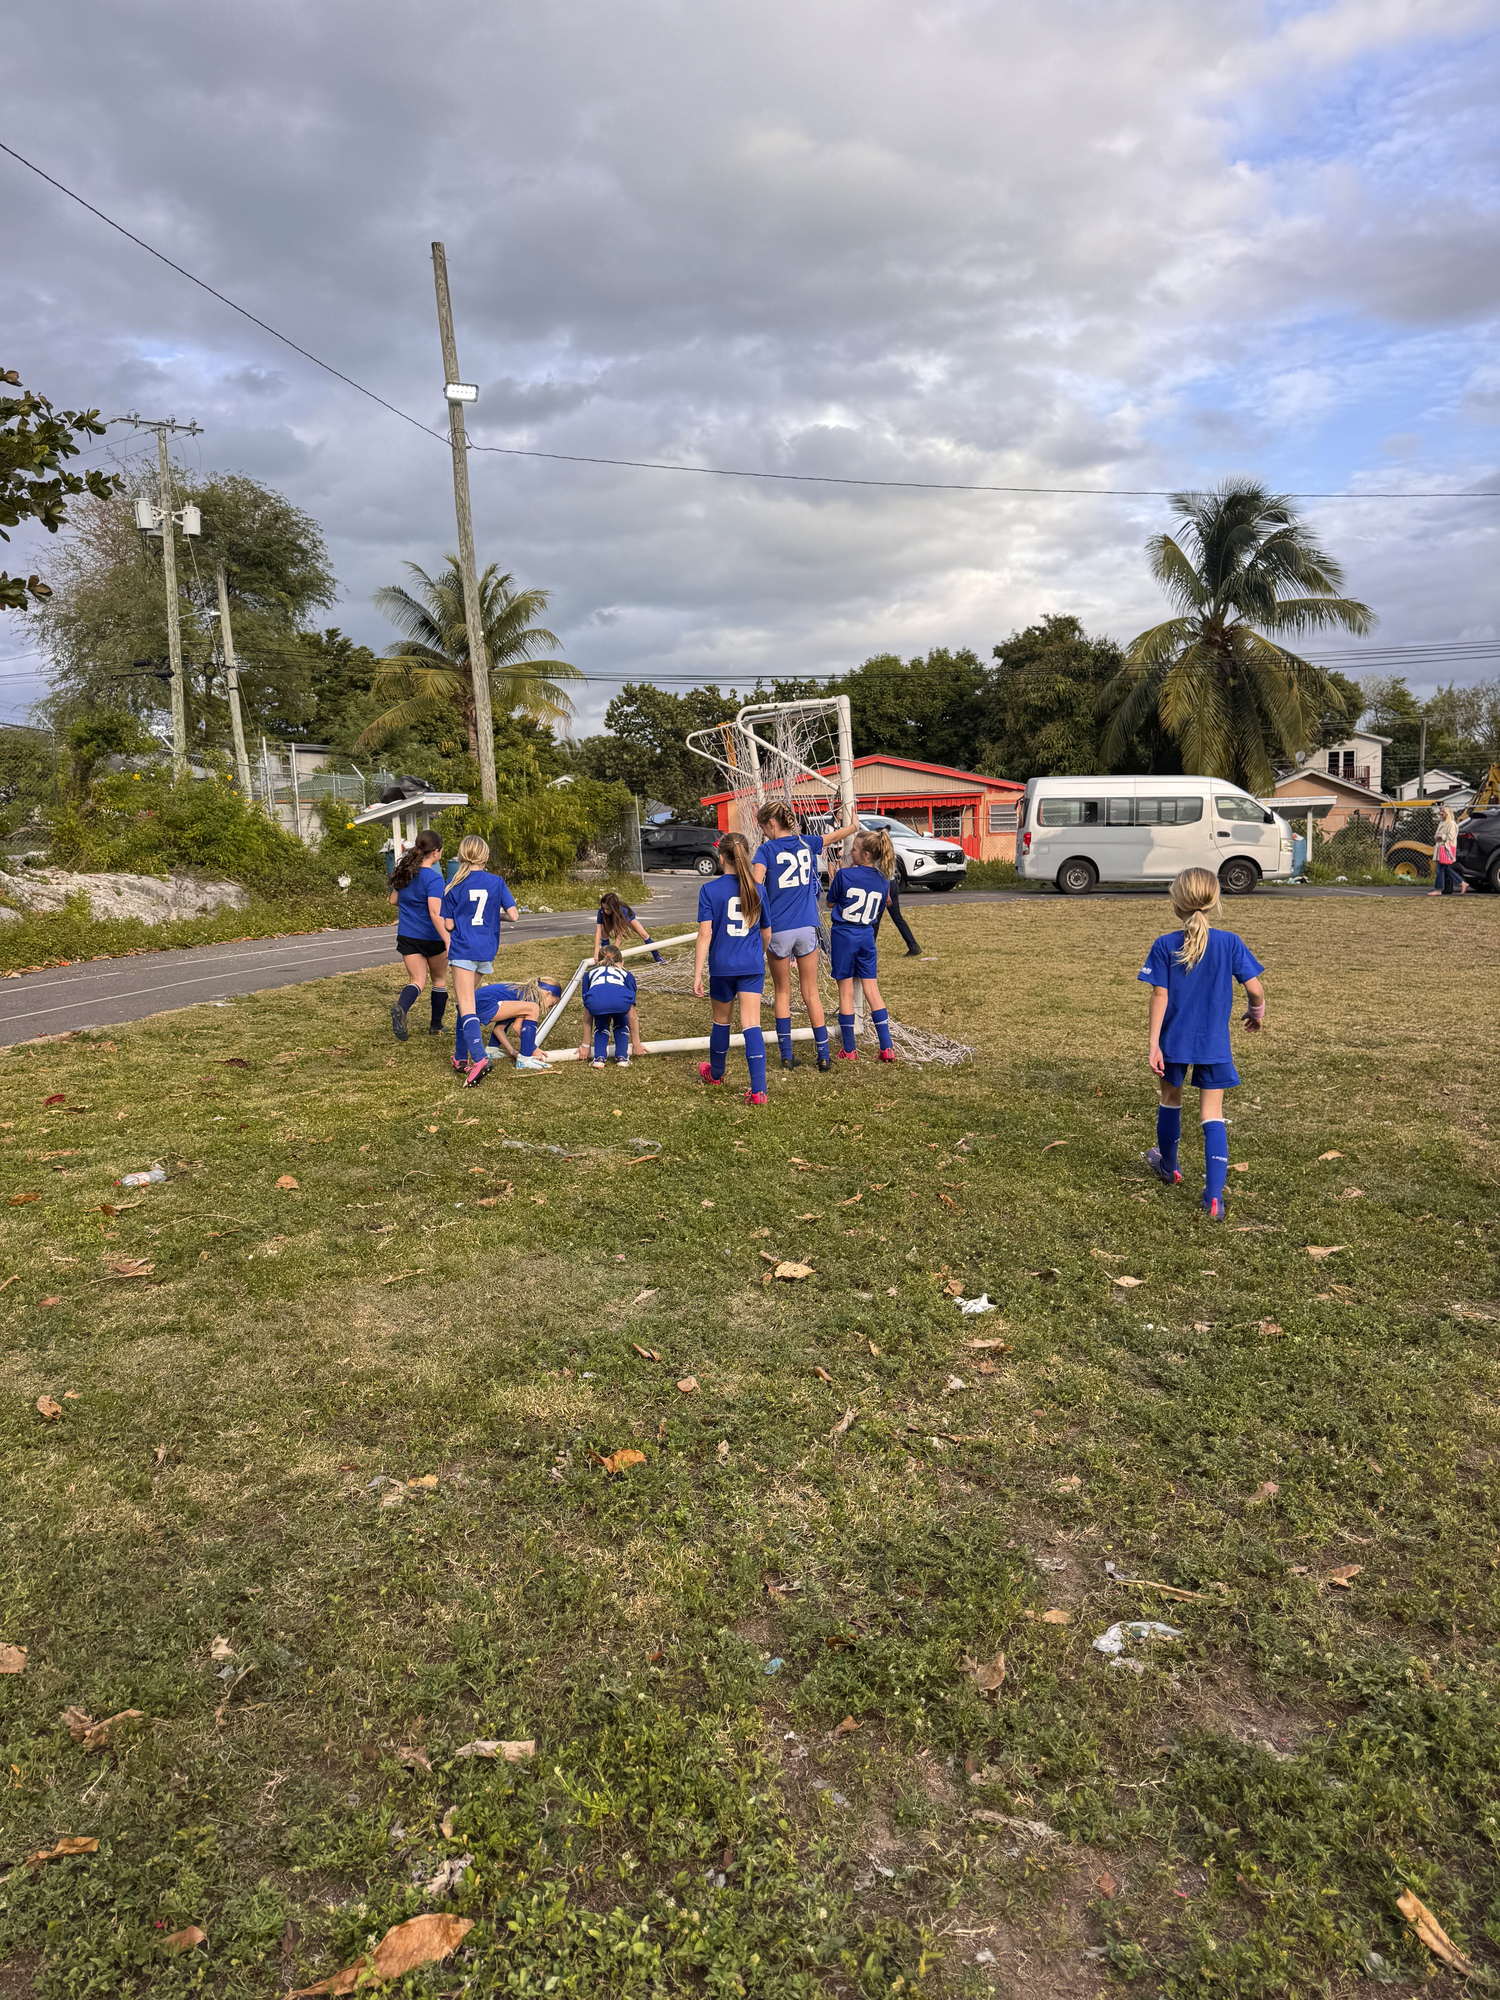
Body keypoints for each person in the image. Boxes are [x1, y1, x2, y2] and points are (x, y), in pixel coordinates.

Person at [1139, 867, 1266, 1222]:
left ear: (1176, 904)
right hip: (1214, 1045)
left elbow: (1159, 997)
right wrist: (1256, 1012)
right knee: (1213, 1117)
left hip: (1172, 1042)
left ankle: (1169, 1166)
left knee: (1170, 1100)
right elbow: (1255, 990)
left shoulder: (1165, 944)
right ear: (1214, 901)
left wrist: (1153, 1044)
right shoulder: (1230, 943)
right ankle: (1214, 1197)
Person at [752, 799, 857, 1071]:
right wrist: (854, 826)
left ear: (772, 824)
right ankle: (823, 1055)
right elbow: (833, 836)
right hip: (807, 926)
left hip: (779, 929)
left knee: (782, 992)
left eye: (763, 827)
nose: (763, 832)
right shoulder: (806, 843)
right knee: (811, 992)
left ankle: (787, 1055)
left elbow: (756, 884)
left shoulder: (765, 850)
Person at [439, 835, 525, 1086]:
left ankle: (478, 1057)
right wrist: (493, 916)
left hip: (464, 949)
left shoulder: (454, 884)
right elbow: (514, 915)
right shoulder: (497, 882)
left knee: (466, 1003)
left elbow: (448, 924)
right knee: (464, 1002)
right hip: (486, 949)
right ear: (486, 858)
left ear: (462, 856)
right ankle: (459, 1056)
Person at [693, 831, 769, 1105]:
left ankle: (716, 1073)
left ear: (720, 857)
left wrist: (697, 972)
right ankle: (759, 1090)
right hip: (751, 966)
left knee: (721, 1021)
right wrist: (755, 956)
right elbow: (766, 933)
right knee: (752, 1024)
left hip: (722, 967)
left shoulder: (709, 890)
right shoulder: (758, 889)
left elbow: (704, 935)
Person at [827, 831, 897, 1062]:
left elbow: (830, 902)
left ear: (865, 854)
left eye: (854, 849)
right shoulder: (884, 879)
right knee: (872, 991)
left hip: (844, 936)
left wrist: (833, 877)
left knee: (846, 992)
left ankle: (849, 1049)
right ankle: (886, 1047)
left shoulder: (844, 875)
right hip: (867, 935)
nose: (850, 852)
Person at [387, 829, 449, 1041]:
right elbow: (434, 912)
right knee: (439, 979)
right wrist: (447, 939)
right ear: (436, 852)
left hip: (407, 935)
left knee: (417, 980)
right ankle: (436, 1025)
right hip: (431, 937)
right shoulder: (435, 879)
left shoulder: (406, 873)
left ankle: (402, 1008)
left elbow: (393, 900)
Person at [452, 973, 564, 1071]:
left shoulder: (521, 994)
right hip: (480, 1004)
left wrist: (512, 1051)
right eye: (552, 1004)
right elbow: (517, 1027)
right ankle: (525, 1059)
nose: (549, 1008)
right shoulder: (531, 998)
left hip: (473, 1004)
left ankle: (492, 1049)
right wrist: (533, 1049)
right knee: (533, 1008)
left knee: (528, 1008)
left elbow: (498, 1029)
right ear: (548, 993)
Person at [582, 944, 638, 1067]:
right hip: (620, 1003)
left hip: (596, 1004)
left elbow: (587, 1015)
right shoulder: (627, 975)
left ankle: (599, 1058)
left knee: (601, 1025)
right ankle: (622, 1057)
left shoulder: (589, 975)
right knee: (621, 1022)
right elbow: (632, 1015)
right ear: (622, 962)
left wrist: (585, 1045)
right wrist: (636, 1044)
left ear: (597, 962)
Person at [595, 891, 663, 964]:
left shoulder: (623, 910)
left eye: (607, 909)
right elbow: (598, 932)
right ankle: (604, 959)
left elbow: (619, 932)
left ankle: (657, 957)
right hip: (612, 918)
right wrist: (596, 953)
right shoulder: (601, 912)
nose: (605, 911)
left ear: (613, 907)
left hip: (628, 917)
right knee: (604, 934)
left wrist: (615, 952)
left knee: (643, 934)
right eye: (603, 908)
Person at [1430, 808, 1468, 895]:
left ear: (1448, 813)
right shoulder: (1442, 823)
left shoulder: (1451, 824)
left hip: (1446, 849)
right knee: (1446, 869)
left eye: (1443, 812)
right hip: (1440, 848)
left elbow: (1451, 837)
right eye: (1441, 811)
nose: (1441, 813)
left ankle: (1438, 889)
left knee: (1439, 869)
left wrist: (1441, 837)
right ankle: (1462, 882)